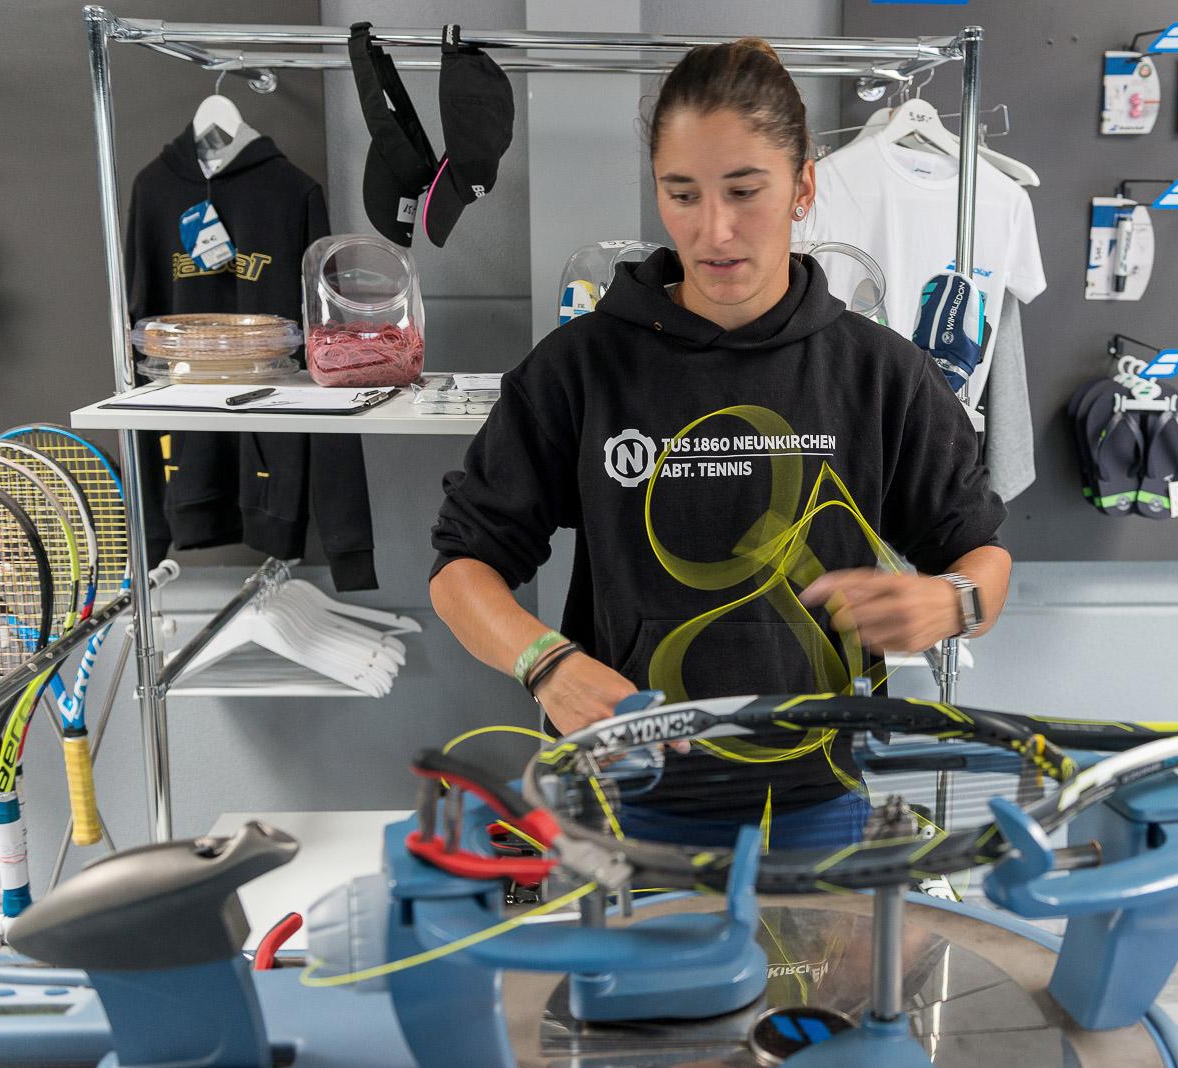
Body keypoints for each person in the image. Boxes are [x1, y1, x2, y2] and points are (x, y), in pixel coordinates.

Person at [430, 38, 1011, 849]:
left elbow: (982, 555)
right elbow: (462, 570)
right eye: (682, 194)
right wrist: (546, 665)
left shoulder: (880, 373)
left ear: (803, 186)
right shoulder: (582, 368)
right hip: (629, 794)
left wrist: (953, 602)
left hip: (823, 793)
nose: (714, 230)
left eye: (744, 190)